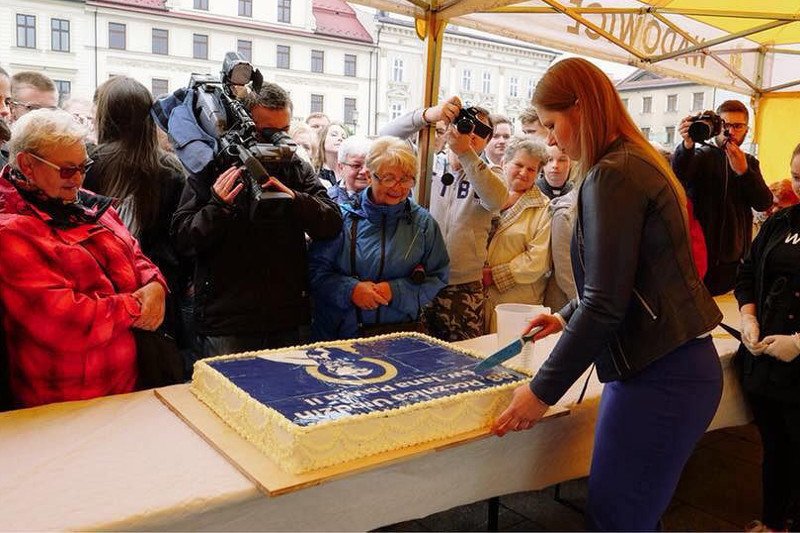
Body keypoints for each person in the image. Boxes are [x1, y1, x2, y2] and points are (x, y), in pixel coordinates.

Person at [492, 58, 722, 531]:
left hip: (659, 376)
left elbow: (605, 302)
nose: (552, 139)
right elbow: (626, 278)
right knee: (634, 515)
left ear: (581, 108)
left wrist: (540, 393)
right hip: (674, 367)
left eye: (553, 125)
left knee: (617, 519)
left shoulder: (612, 172)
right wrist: (565, 314)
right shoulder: (633, 160)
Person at [0, 109, 167, 408]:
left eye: (83, 167)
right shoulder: (10, 230)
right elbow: (65, 323)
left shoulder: (82, 202)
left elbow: (135, 253)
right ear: (27, 164)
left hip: (122, 386)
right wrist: (137, 305)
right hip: (64, 402)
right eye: (66, 170)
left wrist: (155, 283)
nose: (77, 179)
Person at [171, 81, 342, 357]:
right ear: (245, 124)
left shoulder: (296, 166)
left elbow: (331, 223)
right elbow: (183, 239)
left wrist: (296, 201)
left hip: (286, 316)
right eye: (267, 132)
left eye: (283, 131)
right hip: (227, 322)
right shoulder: (215, 163)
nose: (277, 141)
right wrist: (218, 207)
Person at [83, 76, 193, 370]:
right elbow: (180, 241)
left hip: (98, 292)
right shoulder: (169, 168)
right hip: (157, 292)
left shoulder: (88, 163)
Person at [380, 97, 507, 341]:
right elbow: (386, 136)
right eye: (465, 125)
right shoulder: (427, 162)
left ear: (488, 139)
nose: (470, 134)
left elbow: (496, 200)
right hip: (418, 278)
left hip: (464, 285)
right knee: (417, 352)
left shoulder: (491, 173)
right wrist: (430, 115)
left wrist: (466, 154)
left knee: (465, 356)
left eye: (479, 131)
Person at [309, 137, 449, 340]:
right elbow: (315, 273)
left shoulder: (423, 224)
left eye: (407, 178)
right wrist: (351, 290)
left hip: (399, 336)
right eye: (389, 178)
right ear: (369, 176)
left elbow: (438, 277)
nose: (398, 187)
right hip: (341, 335)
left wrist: (395, 291)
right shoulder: (340, 217)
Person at [735, 142, 800, 532]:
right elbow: (747, 272)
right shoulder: (781, 222)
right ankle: (774, 522)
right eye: (796, 177)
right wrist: (748, 317)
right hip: (768, 363)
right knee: (775, 447)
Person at [671, 100, 772, 295]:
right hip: (699, 254)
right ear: (716, 125)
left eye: (738, 126)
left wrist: (744, 172)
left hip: (734, 258)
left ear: (746, 129)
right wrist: (687, 143)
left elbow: (763, 203)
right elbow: (678, 175)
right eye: (725, 125)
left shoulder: (749, 161)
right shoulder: (701, 155)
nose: (731, 131)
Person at [483, 139, 551, 332]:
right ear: (504, 163)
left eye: (531, 170)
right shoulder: (482, 195)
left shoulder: (544, 208)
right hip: (476, 298)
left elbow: (537, 261)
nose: (523, 172)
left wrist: (494, 275)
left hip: (516, 304)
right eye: (519, 165)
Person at [327, 135, 372, 205]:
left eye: (369, 165)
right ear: (341, 167)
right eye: (356, 166)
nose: (364, 171)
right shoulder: (328, 200)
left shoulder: (385, 199)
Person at [313, 122, 348, 189]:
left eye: (343, 137)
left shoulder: (349, 171)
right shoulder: (313, 170)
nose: (340, 138)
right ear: (323, 140)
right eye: (334, 135)